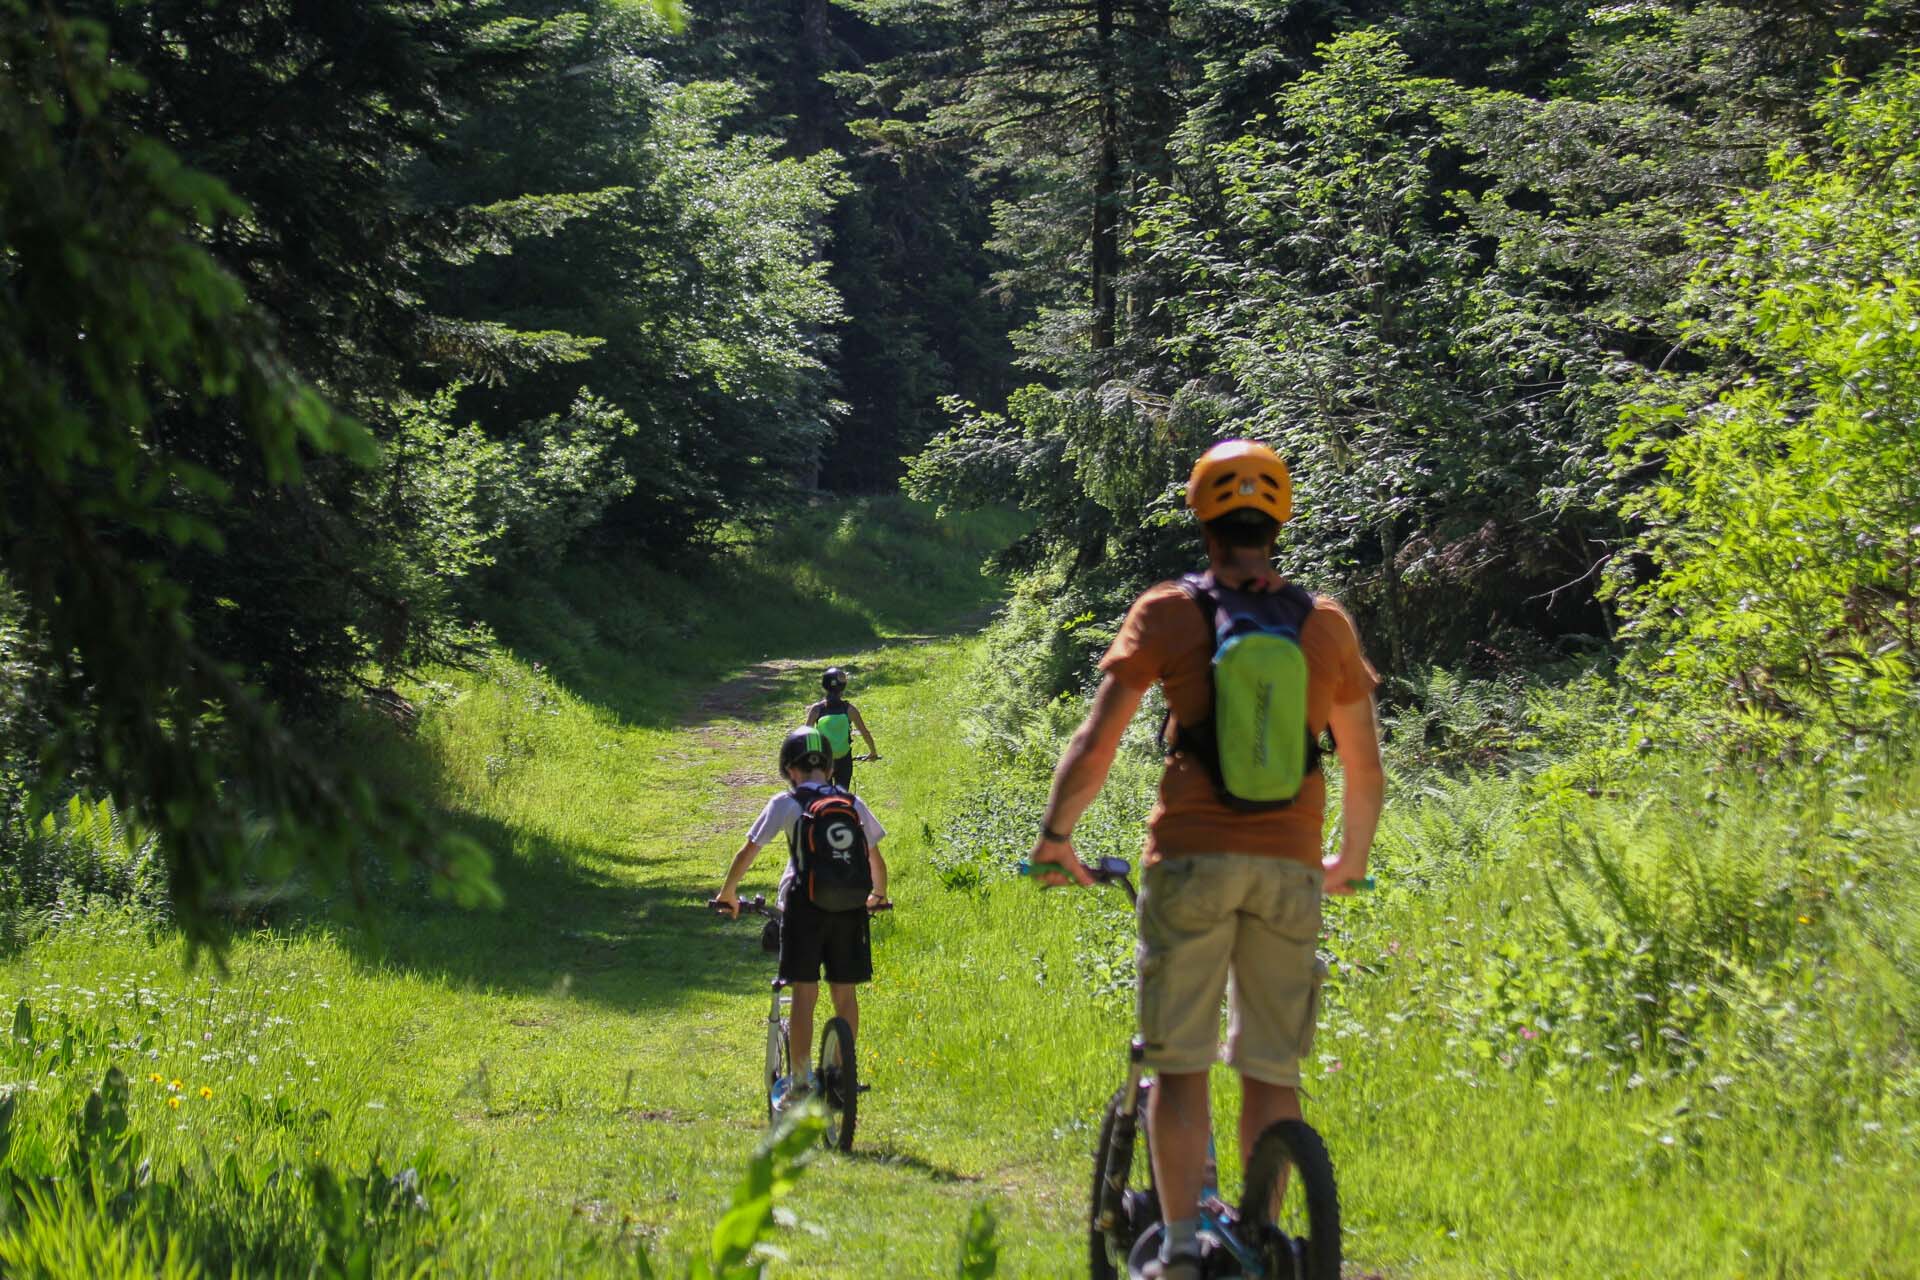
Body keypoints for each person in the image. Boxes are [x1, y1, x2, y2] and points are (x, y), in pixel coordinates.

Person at [1028, 440, 1385, 1280]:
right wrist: (1348, 858)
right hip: (1292, 866)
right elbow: (1365, 767)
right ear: (1280, 519)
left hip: (1190, 860)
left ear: (1202, 519)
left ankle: (1183, 1251)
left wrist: (1055, 839)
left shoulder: (1169, 611)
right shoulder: (1324, 623)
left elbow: (1099, 740)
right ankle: (1261, 1236)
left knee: (1179, 1066)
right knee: (1271, 1067)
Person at [715, 726, 889, 1112]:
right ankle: (843, 1075)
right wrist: (879, 896)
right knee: (844, 993)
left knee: (805, 992)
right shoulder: (851, 802)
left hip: (803, 905)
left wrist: (728, 893)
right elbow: (876, 858)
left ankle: (798, 1081)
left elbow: (749, 850)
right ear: (829, 768)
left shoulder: (786, 803)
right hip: (850, 906)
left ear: (790, 769)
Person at [805, 667, 879, 791]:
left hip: (823, 760)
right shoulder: (849, 709)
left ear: (824, 686)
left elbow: (806, 734)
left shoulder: (817, 710)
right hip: (844, 759)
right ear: (843, 687)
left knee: (824, 795)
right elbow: (865, 733)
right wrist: (873, 752)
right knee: (842, 795)